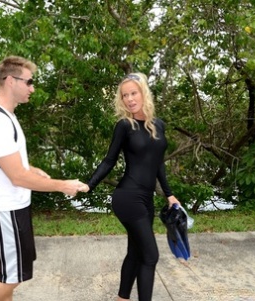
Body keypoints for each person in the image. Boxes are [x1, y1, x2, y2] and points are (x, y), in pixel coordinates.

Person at [0, 55, 85, 301]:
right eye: (29, 82)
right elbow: (17, 177)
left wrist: (31, 168)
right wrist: (62, 185)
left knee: (11, 272)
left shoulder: (7, 116)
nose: (33, 88)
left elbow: (7, 163)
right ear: (10, 81)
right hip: (5, 208)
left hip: (15, 206)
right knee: (12, 276)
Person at [82, 72, 181, 301]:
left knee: (135, 252)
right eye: (125, 95)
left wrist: (169, 195)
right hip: (128, 197)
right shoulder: (124, 126)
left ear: (143, 92)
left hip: (146, 200)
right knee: (151, 256)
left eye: (133, 93)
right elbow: (109, 160)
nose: (129, 99)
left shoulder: (159, 125)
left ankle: (122, 298)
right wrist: (90, 185)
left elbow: (158, 165)